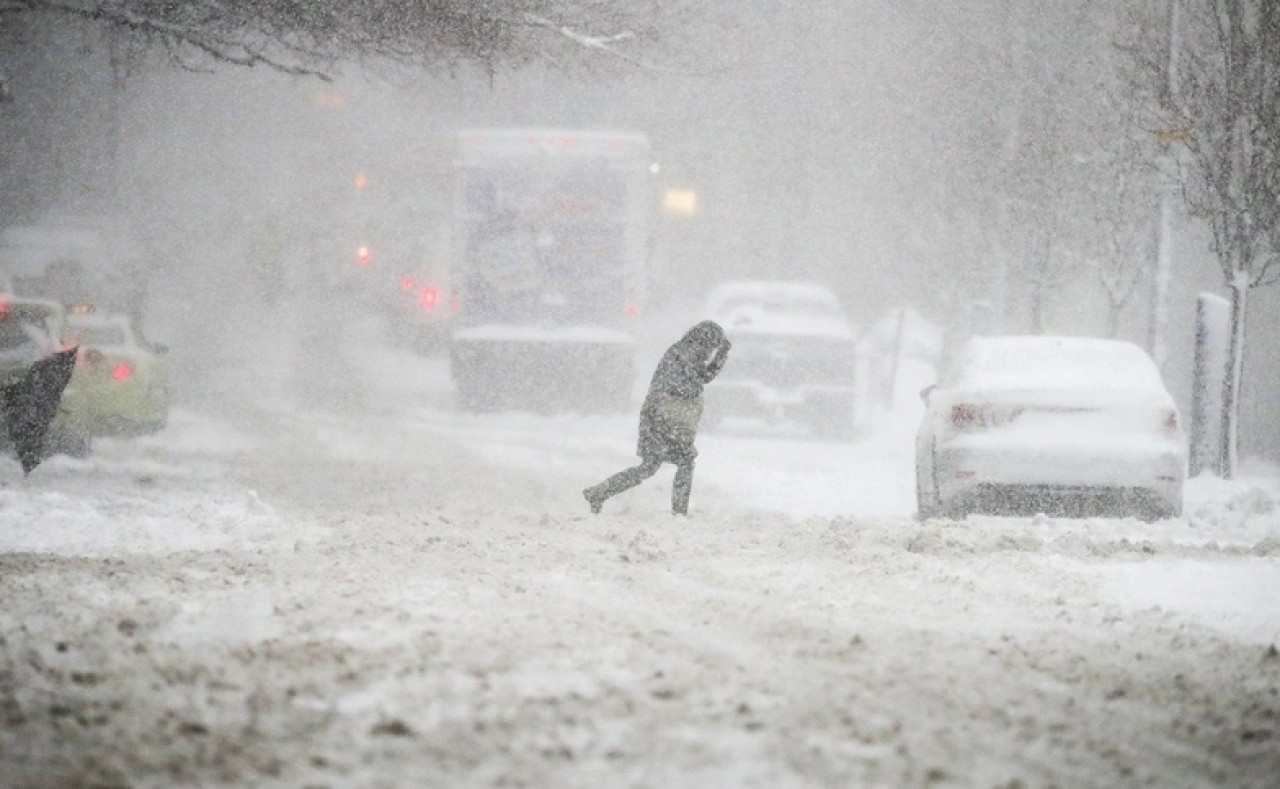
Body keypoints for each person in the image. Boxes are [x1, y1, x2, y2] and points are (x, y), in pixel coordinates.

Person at [583, 320, 731, 516]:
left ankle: (600, 492)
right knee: (660, 465)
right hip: (659, 420)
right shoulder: (681, 355)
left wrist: (721, 357)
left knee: (666, 464)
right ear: (704, 341)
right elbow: (689, 383)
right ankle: (677, 512)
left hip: (669, 420)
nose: (712, 350)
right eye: (713, 346)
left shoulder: (687, 353)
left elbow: (704, 377)